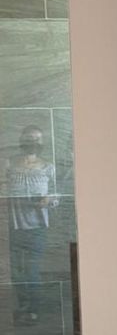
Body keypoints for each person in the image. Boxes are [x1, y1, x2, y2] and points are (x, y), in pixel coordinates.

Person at [3, 125, 58, 323]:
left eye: (36, 139)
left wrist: (48, 200)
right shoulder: (9, 164)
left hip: (37, 227)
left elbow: (57, 196)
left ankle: (33, 310)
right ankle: (22, 307)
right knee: (17, 270)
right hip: (14, 226)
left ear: (41, 142)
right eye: (28, 138)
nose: (32, 142)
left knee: (31, 269)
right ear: (21, 140)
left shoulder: (48, 167)